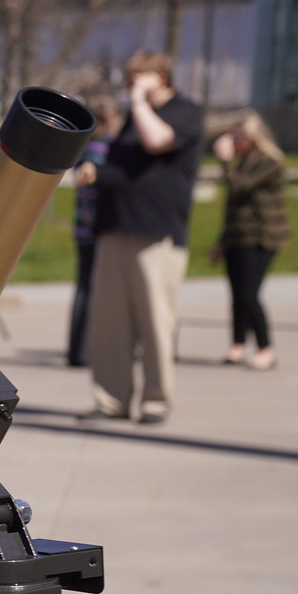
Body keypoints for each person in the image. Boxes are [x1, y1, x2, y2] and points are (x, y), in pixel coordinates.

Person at [80, 51, 206, 425]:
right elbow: (128, 170)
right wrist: (97, 173)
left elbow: (158, 143)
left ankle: (155, 401)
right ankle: (111, 401)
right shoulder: (133, 121)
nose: (133, 84)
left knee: (156, 322)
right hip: (115, 228)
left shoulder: (186, 111)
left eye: (141, 77)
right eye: (131, 78)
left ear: (162, 77)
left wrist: (138, 102)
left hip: (157, 235)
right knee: (109, 323)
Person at [211, 110, 290, 371]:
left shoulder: (270, 161)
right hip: (237, 236)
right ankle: (237, 345)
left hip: (260, 237)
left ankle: (266, 349)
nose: (234, 142)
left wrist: (224, 162)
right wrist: (221, 241)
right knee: (237, 294)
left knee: (249, 294)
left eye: (237, 137)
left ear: (252, 137)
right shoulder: (244, 163)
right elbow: (233, 205)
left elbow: (240, 187)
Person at [67, 97, 120, 368]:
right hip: (100, 227)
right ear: (110, 119)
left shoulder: (84, 148)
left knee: (83, 287)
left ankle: (76, 350)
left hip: (82, 226)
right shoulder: (106, 149)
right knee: (96, 289)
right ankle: (88, 349)